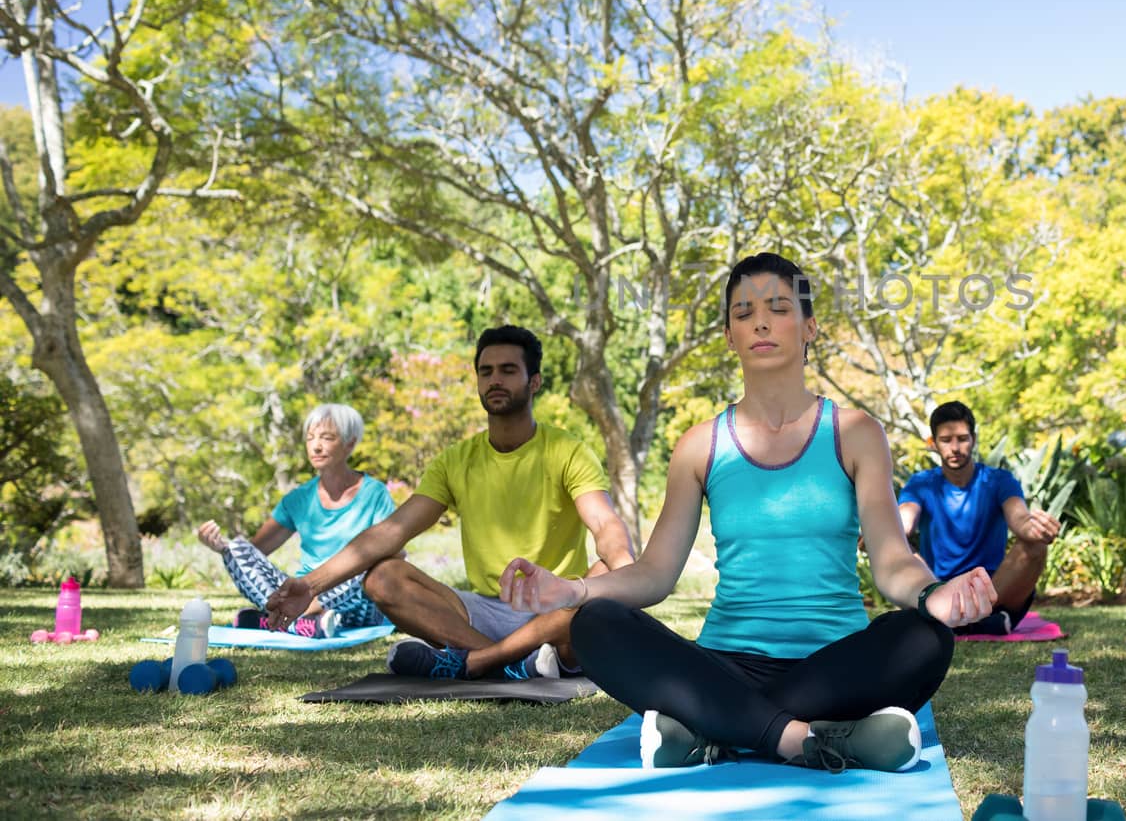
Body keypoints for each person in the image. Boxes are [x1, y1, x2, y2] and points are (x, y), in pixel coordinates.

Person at [500, 253, 999, 773]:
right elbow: (654, 574)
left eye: (778, 307)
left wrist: (932, 594)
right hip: (723, 663)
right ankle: (811, 739)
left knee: (926, 636)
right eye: (743, 312)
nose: (759, 321)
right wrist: (575, 591)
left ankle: (711, 729)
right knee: (595, 625)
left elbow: (893, 560)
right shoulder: (700, 445)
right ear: (729, 335)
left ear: (810, 328)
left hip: (833, 667)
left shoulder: (855, 433)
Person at [264, 325, 635, 680]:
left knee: (605, 573)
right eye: (486, 371)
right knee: (384, 576)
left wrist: (627, 570)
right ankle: (509, 663)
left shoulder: (566, 450)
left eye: (508, 370)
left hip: (556, 607)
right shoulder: (456, 460)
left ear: (534, 381)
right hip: (481, 611)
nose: (495, 380)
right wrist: (311, 585)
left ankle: (484, 661)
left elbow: (604, 523)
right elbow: (390, 533)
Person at [198, 403, 394, 637]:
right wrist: (222, 548)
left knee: (369, 559)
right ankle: (304, 623)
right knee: (237, 547)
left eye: (327, 438)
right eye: (310, 438)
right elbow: (254, 551)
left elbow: (394, 551)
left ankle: (285, 620)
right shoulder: (298, 499)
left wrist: (317, 598)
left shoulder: (375, 494)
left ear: (350, 443)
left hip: (356, 602)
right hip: (302, 594)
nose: (316, 446)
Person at [898, 401, 1061, 636]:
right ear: (933, 444)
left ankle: (963, 620)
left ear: (973, 439)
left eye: (962, 438)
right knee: (892, 545)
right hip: (936, 590)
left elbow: (1020, 521)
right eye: (946, 440)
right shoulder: (920, 483)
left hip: (992, 592)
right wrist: (879, 536)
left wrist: (1038, 529)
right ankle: (967, 619)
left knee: (1036, 545)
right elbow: (904, 521)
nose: (955, 447)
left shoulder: (998, 480)